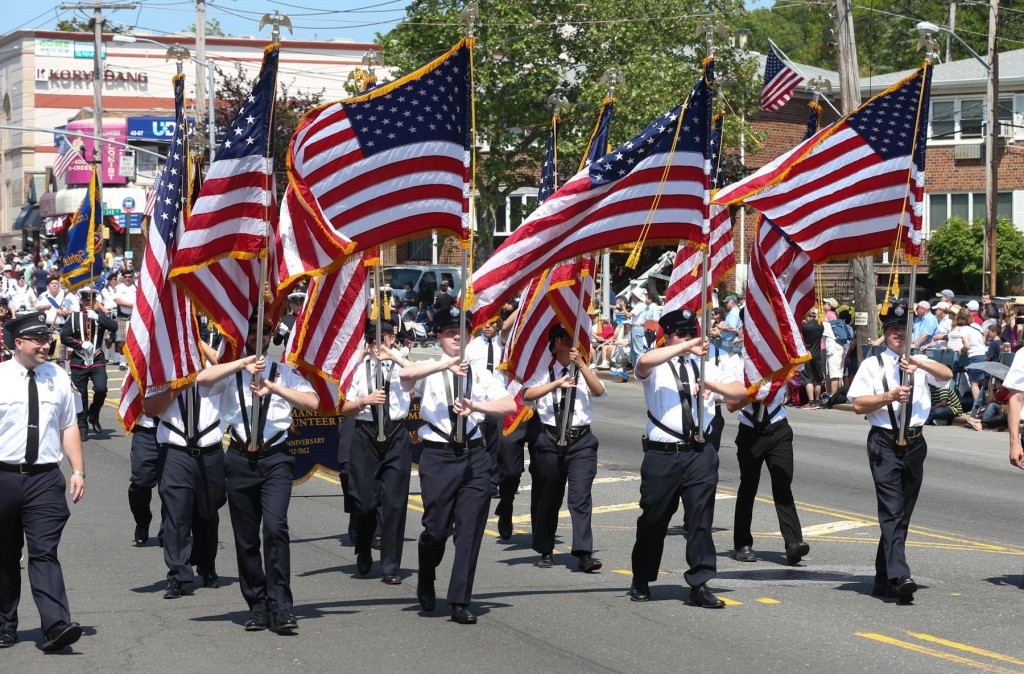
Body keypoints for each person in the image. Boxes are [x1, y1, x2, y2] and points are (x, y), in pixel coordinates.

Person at [198, 315, 318, 632]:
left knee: (276, 528)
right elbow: (203, 380)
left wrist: (274, 386)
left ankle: (281, 607)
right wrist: (240, 365)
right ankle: (258, 603)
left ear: (271, 335)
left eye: (263, 330)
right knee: (246, 538)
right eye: (251, 330)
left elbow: (312, 402)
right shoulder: (231, 372)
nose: (257, 335)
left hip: (276, 457)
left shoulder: (285, 372)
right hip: (239, 458)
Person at [400, 307, 516, 624]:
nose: (456, 337)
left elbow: (508, 404)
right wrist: (445, 364)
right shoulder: (429, 367)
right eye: (450, 332)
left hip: (474, 456)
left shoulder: (479, 372)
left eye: (461, 332)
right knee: (436, 531)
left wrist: (476, 405)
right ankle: (426, 574)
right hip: (438, 456)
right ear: (439, 336)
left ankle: (459, 600)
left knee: (469, 531)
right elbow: (404, 376)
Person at [628, 308, 748, 607]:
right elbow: (643, 363)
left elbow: (739, 391)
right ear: (666, 336)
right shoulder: (657, 365)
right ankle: (642, 576)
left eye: (691, 333)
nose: (688, 338)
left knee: (700, 520)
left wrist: (711, 385)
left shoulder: (704, 365)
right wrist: (683, 347)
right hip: (663, 455)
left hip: (700, 453)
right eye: (680, 333)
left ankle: (700, 582)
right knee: (654, 519)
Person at [846, 300, 952, 603]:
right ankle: (900, 575)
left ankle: (883, 579)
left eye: (902, 329)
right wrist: (889, 396)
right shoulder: (873, 364)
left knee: (902, 513)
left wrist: (919, 362)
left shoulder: (919, 363)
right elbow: (857, 405)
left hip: (915, 442)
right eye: (892, 329)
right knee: (891, 509)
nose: (897, 334)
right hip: (885, 441)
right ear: (885, 332)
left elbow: (945, 375)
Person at [0, 311, 86, 651]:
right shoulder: (1, 376)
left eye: (47, 338)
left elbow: (68, 426)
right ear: (17, 343)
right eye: (38, 339)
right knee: (5, 555)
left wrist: (77, 470)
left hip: (45, 479)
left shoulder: (59, 377)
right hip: (3, 476)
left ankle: (55, 625)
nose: (46, 344)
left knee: (44, 552)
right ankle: (5, 623)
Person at [522, 325, 605, 571]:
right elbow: (527, 394)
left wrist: (581, 366)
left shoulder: (583, 370)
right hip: (549, 440)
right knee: (548, 499)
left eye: (571, 338)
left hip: (581, 442)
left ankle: (583, 553)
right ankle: (545, 548)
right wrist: (556, 384)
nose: (568, 342)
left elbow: (599, 391)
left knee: (580, 499)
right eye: (563, 338)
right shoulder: (543, 370)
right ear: (554, 343)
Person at [341, 319, 413, 586]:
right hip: (366, 434)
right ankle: (363, 543)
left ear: (392, 339)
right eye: (372, 339)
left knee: (395, 503)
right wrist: (364, 401)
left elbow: (417, 375)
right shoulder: (357, 370)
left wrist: (393, 356)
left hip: (395, 436)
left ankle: (390, 565)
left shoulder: (402, 367)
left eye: (383, 338)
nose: (377, 345)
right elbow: (342, 407)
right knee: (364, 502)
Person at [143, 373, 226, 600]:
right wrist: (179, 386)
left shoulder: (216, 361)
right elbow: (149, 409)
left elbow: (229, 375)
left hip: (210, 451)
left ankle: (206, 564)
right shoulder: (164, 364)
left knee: (208, 514)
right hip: (175, 451)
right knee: (176, 515)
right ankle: (178, 575)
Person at [728, 373, 810, 566]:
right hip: (750, 431)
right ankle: (742, 544)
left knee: (783, 485)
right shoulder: (740, 368)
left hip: (778, 429)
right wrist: (753, 394)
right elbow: (731, 405)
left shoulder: (781, 366)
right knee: (748, 487)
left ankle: (793, 543)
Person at [59, 288, 116, 440]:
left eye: (91, 300)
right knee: (81, 394)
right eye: (85, 300)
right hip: (79, 359)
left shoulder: (100, 315)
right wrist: (80, 344)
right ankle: (82, 424)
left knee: (101, 388)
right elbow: (64, 336)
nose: (88, 303)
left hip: (97, 358)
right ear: (81, 301)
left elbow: (114, 327)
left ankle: (94, 414)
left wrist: (98, 317)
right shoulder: (73, 317)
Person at [799, 309, 825, 408]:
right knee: (817, 379)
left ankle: (811, 401)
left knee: (808, 379)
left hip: (807, 353)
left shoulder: (804, 327)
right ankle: (817, 401)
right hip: (818, 354)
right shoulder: (821, 326)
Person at [618, 288, 647, 371]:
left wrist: (623, 307)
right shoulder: (639, 305)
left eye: (633, 296)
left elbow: (628, 315)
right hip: (636, 328)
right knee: (634, 350)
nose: (632, 297)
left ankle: (640, 368)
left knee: (638, 350)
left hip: (637, 328)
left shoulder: (640, 305)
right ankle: (636, 368)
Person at [114, 272, 137, 371]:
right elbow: (117, 300)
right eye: (126, 277)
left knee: (134, 341)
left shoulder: (136, 287)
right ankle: (122, 362)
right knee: (121, 341)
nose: (127, 279)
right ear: (123, 278)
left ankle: (132, 362)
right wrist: (131, 305)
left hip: (134, 317)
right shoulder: (119, 287)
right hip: (122, 317)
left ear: (132, 278)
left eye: (129, 277)